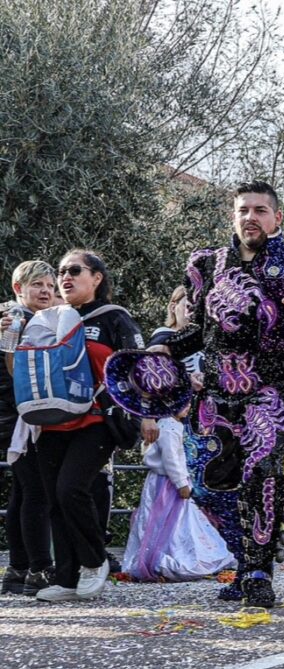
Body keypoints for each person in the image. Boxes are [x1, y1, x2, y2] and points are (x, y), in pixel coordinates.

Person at [153, 180, 284, 607]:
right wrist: (164, 347)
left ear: (277, 218)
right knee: (206, 485)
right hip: (217, 396)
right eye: (243, 210)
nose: (250, 217)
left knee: (261, 470)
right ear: (233, 216)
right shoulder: (209, 264)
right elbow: (200, 332)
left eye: (260, 210)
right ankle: (244, 562)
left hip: (273, 393)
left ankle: (259, 572)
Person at [34, 250, 145, 602]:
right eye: (61, 271)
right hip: (52, 422)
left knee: (71, 490)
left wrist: (150, 414)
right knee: (54, 500)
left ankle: (95, 560)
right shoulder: (49, 318)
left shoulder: (114, 318)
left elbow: (139, 369)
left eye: (75, 270)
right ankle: (66, 579)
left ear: (96, 278)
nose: (65, 277)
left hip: (97, 418)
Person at [122, 405, 235, 581]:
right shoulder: (168, 426)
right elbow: (171, 458)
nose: (188, 407)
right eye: (183, 403)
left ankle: (181, 553)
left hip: (171, 480)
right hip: (168, 483)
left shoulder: (174, 425)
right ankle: (169, 557)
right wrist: (181, 483)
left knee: (181, 521)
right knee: (167, 521)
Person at [0, 261, 56, 596]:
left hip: (15, 415)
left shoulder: (30, 317)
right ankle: (39, 568)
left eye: (50, 285)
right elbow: (12, 369)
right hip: (17, 417)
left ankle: (18, 569)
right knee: (36, 491)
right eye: (38, 285)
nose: (46, 291)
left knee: (22, 491)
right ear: (19, 288)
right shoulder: (15, 318)